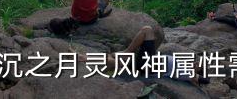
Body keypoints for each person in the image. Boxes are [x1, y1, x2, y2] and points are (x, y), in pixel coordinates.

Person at [71, 25, 209, 86]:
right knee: (115, 61)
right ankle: (84, 58)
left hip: (151, 66)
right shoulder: (184, 67)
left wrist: (199, 75)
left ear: (197, 72)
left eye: (198, 66)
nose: (196, 63)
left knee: (147, 30)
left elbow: (205, 81)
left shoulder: (187, 74)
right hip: (150, 62)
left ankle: (125, 52)